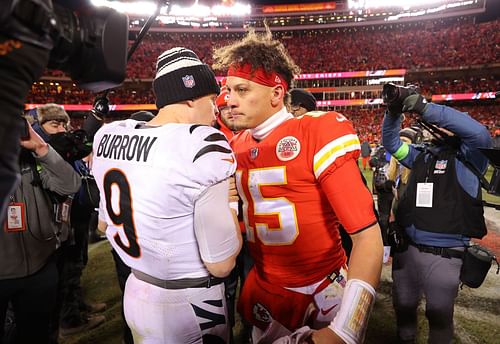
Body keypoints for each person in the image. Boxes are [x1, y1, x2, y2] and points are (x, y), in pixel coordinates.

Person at [213, 28, 383, 344]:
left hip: (323, 290)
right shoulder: (235, 146)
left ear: (276, 93)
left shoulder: (317, 131)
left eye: (241, 89)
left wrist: (348, 327)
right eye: (228, 90)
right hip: (266, 288)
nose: (229, 99)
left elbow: (367, 236)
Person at [92, 47, 242, 343]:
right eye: (212, 100)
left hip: (136, 291)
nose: (215, 112)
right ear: (190, 97)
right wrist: (232, 204)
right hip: (190, 299)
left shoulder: (109, 135)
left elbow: (102, 225)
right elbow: (221, 263)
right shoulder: (200, 144)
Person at [381, 87, 492, 344]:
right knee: (404, 305)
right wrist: (393, 112)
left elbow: (477, 132)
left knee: (439, 315)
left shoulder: (471, 157)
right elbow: (391, 144)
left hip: (445, 255)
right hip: (407, 249)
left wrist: (423, 107)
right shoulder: (421, 155)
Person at [0, 119, 81, 344]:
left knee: (38, 334)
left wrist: (41, 148)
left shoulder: (28, 157)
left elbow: (70, 185)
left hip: (40, 268)